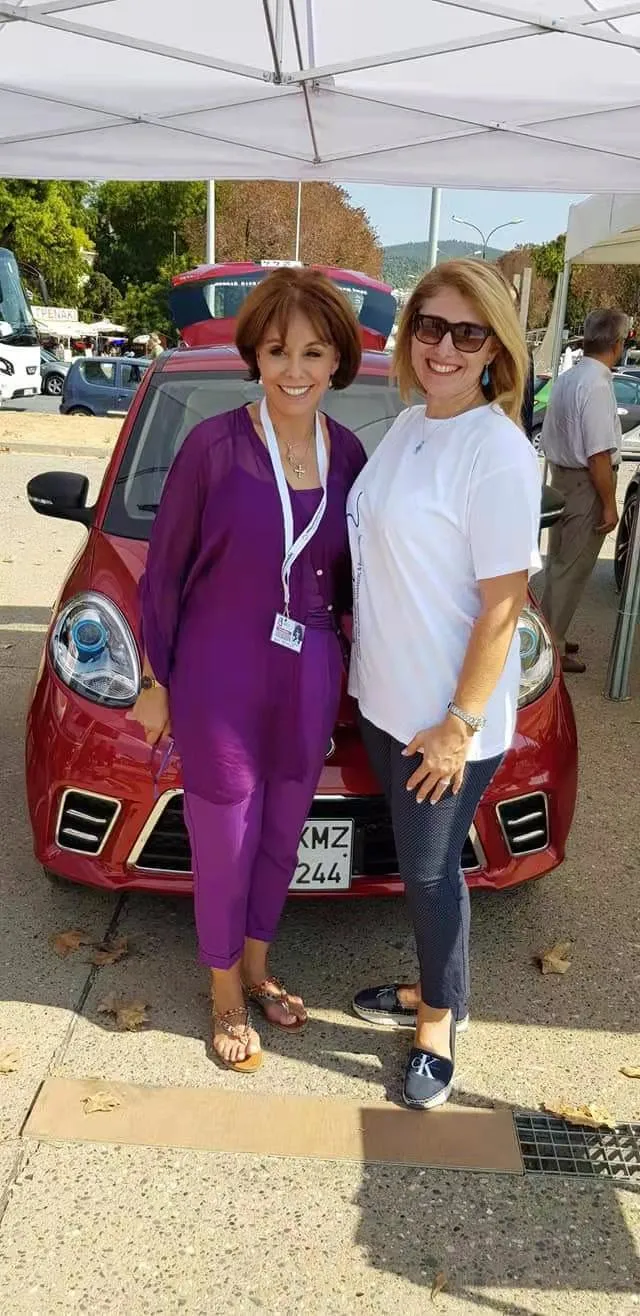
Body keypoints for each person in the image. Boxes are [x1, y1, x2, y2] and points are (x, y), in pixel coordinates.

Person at [128, 268, 365, 1073]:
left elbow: (364, 575)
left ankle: (259, 967)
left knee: (282, 832)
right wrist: (157, 681)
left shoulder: (349, 454)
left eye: (313, 352)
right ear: (255, 357)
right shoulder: (214, 446)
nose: (295, 369)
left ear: (337, 361)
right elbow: (163, 572)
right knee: (225, 837)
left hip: (310, 668)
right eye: (277, 351)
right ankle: (224, 990)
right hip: (220, 671)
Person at [347, 260, 541, 1110]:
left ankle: (436, 1023)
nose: (445, 347)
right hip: (387, 703)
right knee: (425, 870)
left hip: (444, 720)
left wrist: (459, 724)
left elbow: (504, 605)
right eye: (431, 326)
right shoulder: (407, 425)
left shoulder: (498, 452)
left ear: (496, 346)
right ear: (410, 334)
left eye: (468, 332)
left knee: (430, 874)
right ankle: (436, 986)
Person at [540, 308, 626, 674]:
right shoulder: (597, 385)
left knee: (558, 566)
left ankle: (550, 635)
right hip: (585, 484)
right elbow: (598, 454)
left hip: (562, 478)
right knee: (570, 571)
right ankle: (551, 649)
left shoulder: (570, 377)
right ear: (617, 344)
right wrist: (608, 504)